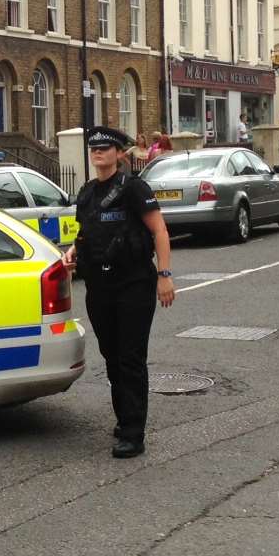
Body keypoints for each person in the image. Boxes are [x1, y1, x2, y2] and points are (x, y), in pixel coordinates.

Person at [63, 126, 175, 458]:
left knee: (129, 358)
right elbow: (86, 231)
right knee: (112, 356)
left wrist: (165, 275)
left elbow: (159, 230)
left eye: (105, 148)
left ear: (119, 153)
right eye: (93, 148)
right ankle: (124, 417)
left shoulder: (134, 189)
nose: (98, 153)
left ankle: (133, 432)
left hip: (134, 282)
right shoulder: (86, 193)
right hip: (99, 285)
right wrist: (72, 251)